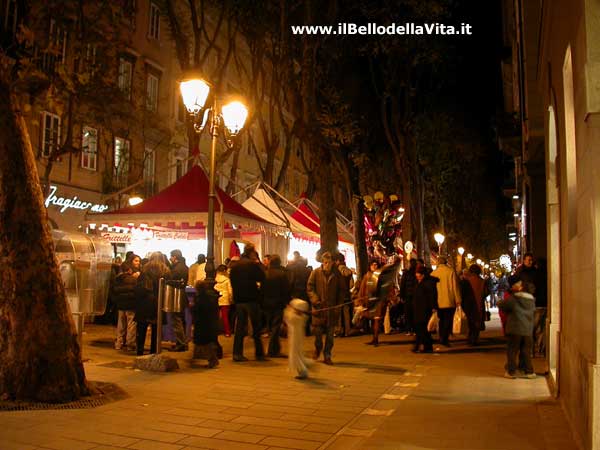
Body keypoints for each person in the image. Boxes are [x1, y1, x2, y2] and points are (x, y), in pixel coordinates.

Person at [229, 243, 266, 362]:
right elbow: (262, 277)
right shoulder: (252, 265)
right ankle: (259, 353)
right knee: (255, 327)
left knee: (240, 327)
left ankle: (237, 353)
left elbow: (232, 281)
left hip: (239, 299)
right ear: (251, 252)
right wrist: (258, 263)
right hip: (251, 298)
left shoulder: (235, 266)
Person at [307, 252, 344, 365]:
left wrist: (339, 304)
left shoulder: (337, 274)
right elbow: (310, 287)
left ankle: (327, 355)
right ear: (323, 262)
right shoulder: (315, 273)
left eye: (330, 262)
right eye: (326, 262)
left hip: (332, 309)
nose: (327, 264)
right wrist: (315, 300)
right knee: (317, 333)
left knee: (330, 336)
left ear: (333, 263)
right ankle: (318, 349)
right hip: (319, 308)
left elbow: (342, 290)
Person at [497, 277, 536, 379]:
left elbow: (504, 306)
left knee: (512, 351)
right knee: (526, 351)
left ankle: (511, 371)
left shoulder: (514, 299)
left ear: (521, 288)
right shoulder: (531, 300)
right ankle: (529, 371)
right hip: (527, 330)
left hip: (515, 329)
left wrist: (499, 302)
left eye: (518, 284)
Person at [134, 252, 169, 356]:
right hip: (158, 302)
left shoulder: (145, 270)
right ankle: (154, 351)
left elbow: (139, 287)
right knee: (156, 330)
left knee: (141, 328)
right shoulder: (166, 271)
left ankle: (139, 351)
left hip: (145, 302)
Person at [365, 257, 401, 346]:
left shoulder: (381, 275)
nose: (374, 266)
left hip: (379, 301)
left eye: (376, 264)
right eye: (373, 264)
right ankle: (374, 338)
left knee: (377, 320)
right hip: (372, 300)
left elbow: (387, 287)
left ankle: (375, 339)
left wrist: (390, 297)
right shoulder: (369, 275)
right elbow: (365, 287)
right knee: (374, 320)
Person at [261, 255, 291, 357]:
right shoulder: (282, 274)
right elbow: (286, 289)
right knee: (276, 326)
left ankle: (275, 349)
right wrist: (287, 301)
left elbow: (262, 290)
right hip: (278, 303)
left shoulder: (265, 274)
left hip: (266, 303)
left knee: (271, 326)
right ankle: (272, 350)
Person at [430, 257, 461, 346]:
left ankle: (441, 336)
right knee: (448, 320)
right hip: (449, 300)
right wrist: (458, 299)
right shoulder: (450, 272)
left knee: (441, 319)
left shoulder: (433, 273)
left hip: (438, 301)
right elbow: (455, 286)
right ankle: (445, 337)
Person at [192, 281, 221, 368]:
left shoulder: (201, 298)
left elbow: (199, 311)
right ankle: (198, 356)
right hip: (208, 324)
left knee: (204, 343)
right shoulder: (209, 297)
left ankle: (213, 360)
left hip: (202, 324)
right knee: (202, 342)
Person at [113, 259, 140, 351]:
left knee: (121, 325)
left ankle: (119, 343)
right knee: (131, 325)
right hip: (131, 304)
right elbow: (135, 292)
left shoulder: (117, 279)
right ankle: (130, 344)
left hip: (121, 305)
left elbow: (115, 291)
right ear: (129, 270)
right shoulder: (134, 280)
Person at [412, 265, 438, 353]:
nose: (416, 275)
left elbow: (432, 296)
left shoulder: (428, 283)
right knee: (420, 328)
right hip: (419, 308)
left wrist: (433, 307)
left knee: (423, 328)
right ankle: (421, 345)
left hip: (424, 308)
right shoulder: (418, 282)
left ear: (422, 274)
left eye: (418, 273)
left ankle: (425, 346)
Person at [284, 298, 311, 379]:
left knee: (296, 355)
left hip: (295, 340)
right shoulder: (301, 317)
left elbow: (288, 317)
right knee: (298, 355)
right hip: (296, 339)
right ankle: (305, 366)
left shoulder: (296, 318)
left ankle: (303, 371)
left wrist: (289, 309)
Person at [168, 249, 189, 352]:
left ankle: (180, 343)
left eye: (171, 257)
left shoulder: (176, 269)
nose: (170, 259)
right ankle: (183, 342)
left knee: (176, 320)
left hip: (176, 296)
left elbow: (170, 280)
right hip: (182, 296)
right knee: (181, 319)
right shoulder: (185, 267)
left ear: (174, 257)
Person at [333, 253, 354, 337]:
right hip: (346, 295)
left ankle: (339, 331)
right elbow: (351, 285)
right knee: (346, 314)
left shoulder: (336, 271)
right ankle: (347, 331)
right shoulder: (349, 271)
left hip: (338, 295)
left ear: (338, 261)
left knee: (338, 314)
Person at [460, 268, 482, 346]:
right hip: (477, 303)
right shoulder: (481, 281)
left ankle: (470, 338)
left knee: (470, 322)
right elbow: (486, 291)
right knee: (475, 322)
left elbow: (461, 294)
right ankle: (474, 338)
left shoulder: (465, 282)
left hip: (467, 304)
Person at [399, 259, 418, 335]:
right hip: (415, 296)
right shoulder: (416, 273)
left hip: (407, 296)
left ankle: (408, 329)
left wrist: (402, 296)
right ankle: (414, 329)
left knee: (408, 313)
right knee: (414, 313)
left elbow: (402, 285)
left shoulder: (406, 273)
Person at [214, 264, 233, 337]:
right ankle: (227, 331)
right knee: (225, 317)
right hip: (225, 298)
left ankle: (217, 330)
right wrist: (231, 299)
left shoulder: (215, 279)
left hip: (217, 298)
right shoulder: (227, 280)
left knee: (216, 316)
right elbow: (230, 291)